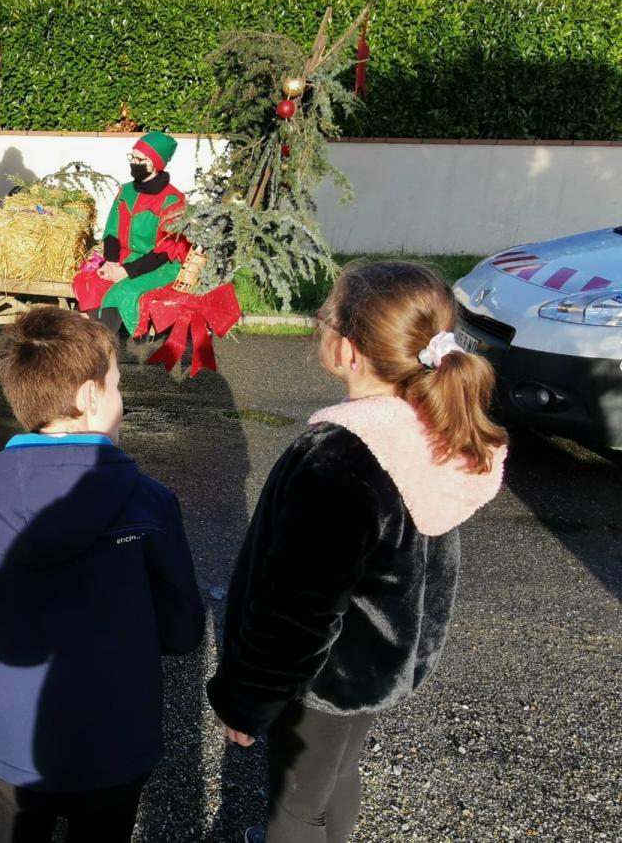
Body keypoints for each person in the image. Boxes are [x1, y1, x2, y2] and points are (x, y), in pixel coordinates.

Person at [207, 262, 508, 843]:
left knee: (296, 809)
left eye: (324, 316)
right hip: (377, 665)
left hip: (321, 679)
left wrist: (247, 700)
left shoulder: (340, 458)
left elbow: (297, 607)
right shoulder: (434, 429)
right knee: (338, 775)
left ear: (346, 350)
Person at [0, 306, 205, 843]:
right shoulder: (149, 503)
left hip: (15, 745)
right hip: (117, 745)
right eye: (117, 386)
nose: (123, 402)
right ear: (88, 396)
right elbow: (182, 631)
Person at [73, 131, 192, 336]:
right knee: (91, 281)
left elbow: (166, 251)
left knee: (123, 292)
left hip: (158, 266)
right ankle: (86, 341)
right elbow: (112, 231)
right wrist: (111, 263)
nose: (133, 163)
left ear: (155, 164)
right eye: (132, 157)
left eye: (139, 159)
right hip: (123, 258)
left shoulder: (173, 200)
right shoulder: (125, 191)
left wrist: (126, 271)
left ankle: (103, 345)